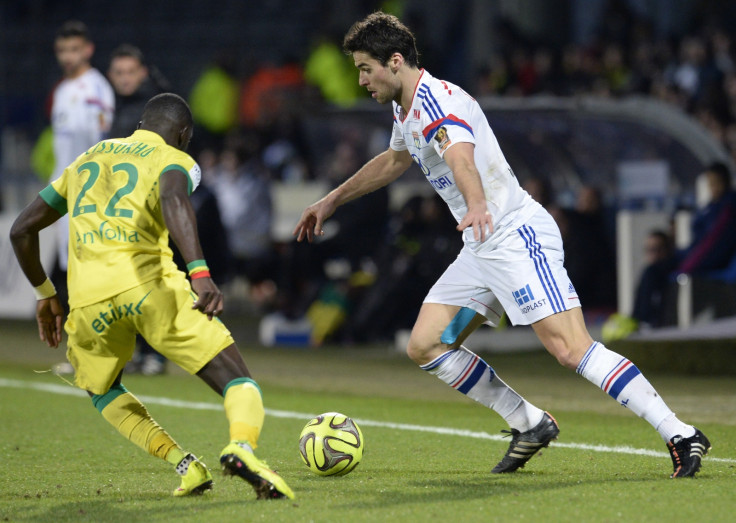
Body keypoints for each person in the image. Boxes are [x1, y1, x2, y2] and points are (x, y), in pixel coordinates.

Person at [294, 12, 710, 479]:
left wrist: (475, 204)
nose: (360, 79)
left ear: (394, 61)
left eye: (365, 68)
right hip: (481, 245)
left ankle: (681, 433)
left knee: (571, 348)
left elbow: (461, 156)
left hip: (514, 233)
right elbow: (394, 159)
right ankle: (529, 423)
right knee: (427, 344)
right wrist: (331, 200)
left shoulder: (438, 102)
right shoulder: (404, 107)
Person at [9, 93, 293, 499]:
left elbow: (21, 229)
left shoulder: (86, 159)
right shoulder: (174, 158)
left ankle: (185, 465)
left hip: (87, 301)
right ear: (183, 134)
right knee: (236, 378)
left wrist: (45, 294)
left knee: (102, 389)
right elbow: (174, 198)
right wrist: (200, 273)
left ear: (141, 123)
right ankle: (242, 449)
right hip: (148, 287)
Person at [50, 20, 115, 302]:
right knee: (71, 263)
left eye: (74, 49)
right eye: (63, 50)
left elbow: (103, 144)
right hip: (65, 189)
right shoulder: (63, 89)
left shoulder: (96, 90)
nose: (68, 56)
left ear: (88, 50)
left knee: (89, 263)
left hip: (89, 193)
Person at [632, 229, 676, 328]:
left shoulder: (657, 272)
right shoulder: (648, 272)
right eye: (648, 250)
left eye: (656, 249)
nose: (652, 254)